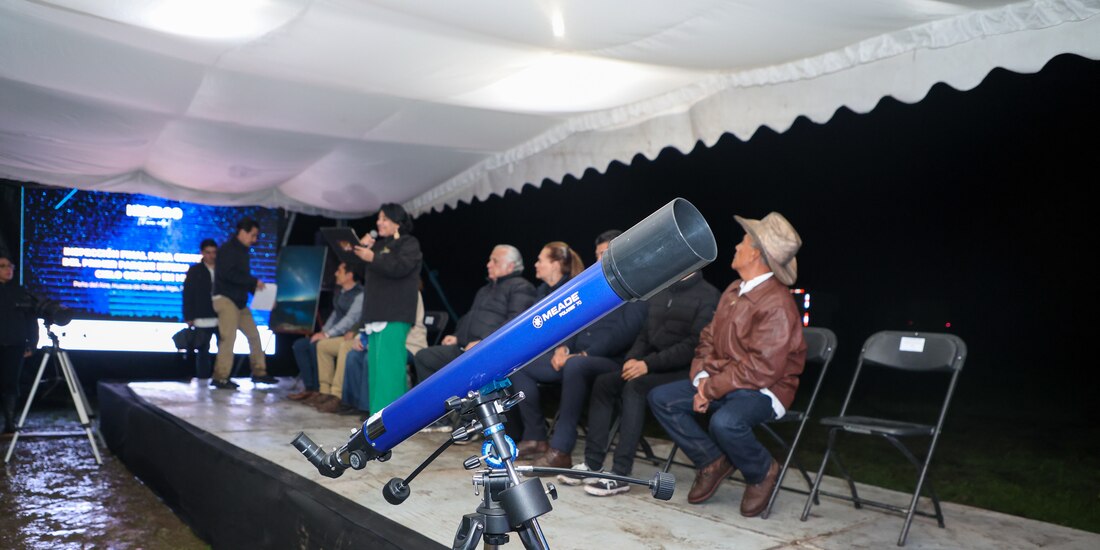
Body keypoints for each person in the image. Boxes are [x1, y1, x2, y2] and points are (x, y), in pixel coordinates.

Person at [648, 212, 806, 517]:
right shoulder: (734, 290)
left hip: (765, 390)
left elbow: (762, 368)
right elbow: (707, 338)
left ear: (756, 254)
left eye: (743, 242)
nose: (736, 246)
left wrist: (710, 389)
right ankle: (712, 460)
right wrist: (702, 378)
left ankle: (761, 471)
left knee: (726, 422)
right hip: (725, 381)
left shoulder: (776, 303)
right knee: (661, 398)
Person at [564, 269, 719, 495]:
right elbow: (644, 334)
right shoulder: (661, 291)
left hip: (683, 371)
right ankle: (592, 464)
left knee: (635, 387)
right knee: (604, 384)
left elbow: (693, 346)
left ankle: (621, 473)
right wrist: (632, 359)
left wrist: (647, 365)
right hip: (648, 363)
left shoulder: (708, 295)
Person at [512, 231, 647, 468]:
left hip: (611, 361)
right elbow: (577, 323)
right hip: (576, 357)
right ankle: (535, 436)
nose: (598, 261)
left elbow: (626, 331)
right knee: (519, 367)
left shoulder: (636, 286)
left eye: (604, 254)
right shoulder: (596, 287)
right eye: (597, 255)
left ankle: (561, 450)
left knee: (575, 365)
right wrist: (564, 349)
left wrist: (586, 354)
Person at [412, 245, 536, 388]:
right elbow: (470, 318)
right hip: (468, 348)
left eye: (494, 261)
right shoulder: (485, 290)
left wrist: (484, 341)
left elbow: (515, 322)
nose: (488, 265)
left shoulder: (521, 287)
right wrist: (457, 337)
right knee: (425, 357)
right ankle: (438, 408)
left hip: (491, 350)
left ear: (510, 266)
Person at [352, 203, 422, 414]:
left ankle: (391, 420)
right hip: (375, 314)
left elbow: (400, 267)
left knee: (389, 369)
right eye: (378, 218)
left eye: (384, 219)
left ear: (397, 222)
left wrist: (373, 256)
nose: (378, 223)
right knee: (376, 370)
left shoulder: (409, 244)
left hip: (394, 314)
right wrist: (360, 249)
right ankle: (377, 417)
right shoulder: (378, 245)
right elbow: (359, 271)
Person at [288, 261, 364, 410]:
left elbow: (350, 320)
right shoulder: (340, 292)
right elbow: (334, 315)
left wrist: (328, 334)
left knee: (323, 345)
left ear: (349, 275)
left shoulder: (360, 295)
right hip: (336, 334)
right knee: (312, 344)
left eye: (339, 271)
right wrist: (323, 332)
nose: (336, 273)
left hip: (348, 335)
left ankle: (336, 395)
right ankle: (322, 391)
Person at [211, 218, 276, 390]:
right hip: (225, 299)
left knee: (254, 335)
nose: (254, 239)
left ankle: (259, 372)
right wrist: (253, 282)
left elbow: (243, 280)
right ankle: (220, 377)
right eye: (253, 235)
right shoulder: (227, 250)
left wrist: (262, 294)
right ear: (243, 232)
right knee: (228, 338)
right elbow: (228, 275)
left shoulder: (243, 251)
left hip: (239, 301)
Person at [341, 291, 429, 415]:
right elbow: (373, 322)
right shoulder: (383, 292)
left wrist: (376, 343)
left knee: (371, 358)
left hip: (409, 344)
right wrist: (360, 337)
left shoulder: (410, 291)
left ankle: (368, 408)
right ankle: (354, 403)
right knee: (353, 355)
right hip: (381, 341)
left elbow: (400, 327)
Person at [1, 254, 39, 435]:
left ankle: (10, 422)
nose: (8, 270)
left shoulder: (20, 291)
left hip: (15, 345)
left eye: (10, 266)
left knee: (11, 383)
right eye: (3, 266)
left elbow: (32, 320)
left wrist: (32, 343)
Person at [181, 239, 218, 379]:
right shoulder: (195, 270)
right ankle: (203, 380)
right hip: (202, 316)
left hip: (221, 315)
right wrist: (188, 316)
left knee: (224, 349)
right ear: (202, 253)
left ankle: (221, 378)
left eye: (214, 252)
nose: (211, 256)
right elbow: (188, 294)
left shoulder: (221, 269)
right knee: (203, 350)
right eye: (208, 252)